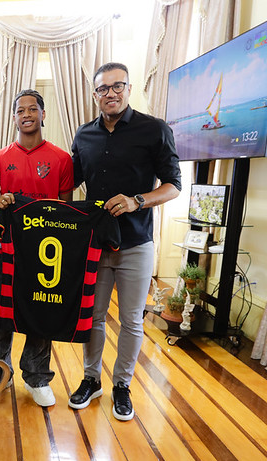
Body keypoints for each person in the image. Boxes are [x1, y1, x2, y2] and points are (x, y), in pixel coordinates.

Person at [69, 62, 181, 420]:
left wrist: (137, 200)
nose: (111, 93)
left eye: (118, 86)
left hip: (136, 243)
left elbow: (173, 185)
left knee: (132, 320)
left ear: (129, 89)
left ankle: (122, 385)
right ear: (95, 95)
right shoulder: (84, 135)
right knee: (93, 317)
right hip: (95, 243)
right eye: (103, 88)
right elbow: (66, 183)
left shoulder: (154, 129)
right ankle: (91, 379)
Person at [0, 89, 75, 407]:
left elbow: (65, 210)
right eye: (20, 110)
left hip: (46, 253)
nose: (26, 114)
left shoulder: (61, 159)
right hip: (6, 249)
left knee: (41, 313)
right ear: (14, 118)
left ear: (43, 114)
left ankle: (37, 377)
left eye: (32, 109)